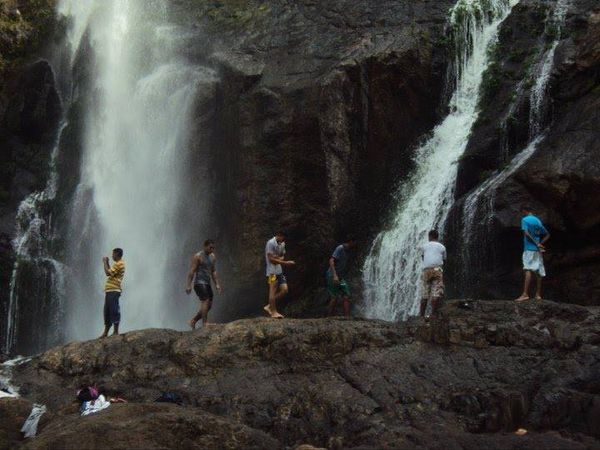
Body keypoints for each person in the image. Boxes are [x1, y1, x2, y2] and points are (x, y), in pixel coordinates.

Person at [515, 206, 550, 302]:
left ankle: (525, 294)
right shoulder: (538, 221)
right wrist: (540, 244)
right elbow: (547, 234)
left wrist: (536, 243)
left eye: (522, 212)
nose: (522, 214)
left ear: (524, 211)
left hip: (529, 249)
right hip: (538, 250)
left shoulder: (525, 220)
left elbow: (526, 233)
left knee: (528, 269)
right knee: (538, 270)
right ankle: (538, 295)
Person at [185, 239, 221, 329]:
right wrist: (188, 285)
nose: (212, 249)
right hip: (199, 283)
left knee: (209, 305)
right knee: (205, 300)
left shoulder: (213, 257)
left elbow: (213, 271)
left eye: (213, 248)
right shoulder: (198, 256)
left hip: (207, 283)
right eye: (210, 247)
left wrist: (217, 284)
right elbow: (192, 271)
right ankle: (205, 323)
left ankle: (193, 321)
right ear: (205, 246)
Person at [264, 231, 295, 318]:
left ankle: (269, 305)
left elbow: (282, 256)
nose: (283, 240)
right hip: (272, 272)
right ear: (279, 235)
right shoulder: (270, 243)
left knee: (284, 290)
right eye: (282, 237)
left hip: (279, 271)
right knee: (272, 291)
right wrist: (285, 263)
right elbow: (271, 259)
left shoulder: (282, 243)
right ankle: (273, 312)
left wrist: (279, 258)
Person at [326, 236, 356, 317]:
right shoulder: (340, 248)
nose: (355, 245)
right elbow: (331, 260)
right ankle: (328, 317)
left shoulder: (349, 251)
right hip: (332, 275)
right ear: (350, 242)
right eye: (354, 243)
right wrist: (335, 275)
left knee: (346, 295)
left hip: (340, 277)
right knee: (334, 297)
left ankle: (347, 317)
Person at [420, 230, 446, 317]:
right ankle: (433, 315)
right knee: (436, 293)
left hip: (426, 270)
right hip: (437, 270)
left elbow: (423, 257)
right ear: (437, 237)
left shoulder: (424, 246)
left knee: (424, 294)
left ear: (429, 237)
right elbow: (444, 259)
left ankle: (421, 315)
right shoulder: (442, 247)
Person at [100, 248, 125, 338]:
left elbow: (107, 273)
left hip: (114, 290)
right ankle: (106, 332)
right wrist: (107, 263)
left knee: (114, 310)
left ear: (117, 254)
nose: (112, 256)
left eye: (113, 254)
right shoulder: (117, 264)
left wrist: (104, 262)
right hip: (110, 290)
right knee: (107, 311)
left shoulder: (120, 264)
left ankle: (115, 331)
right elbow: (111, 271)